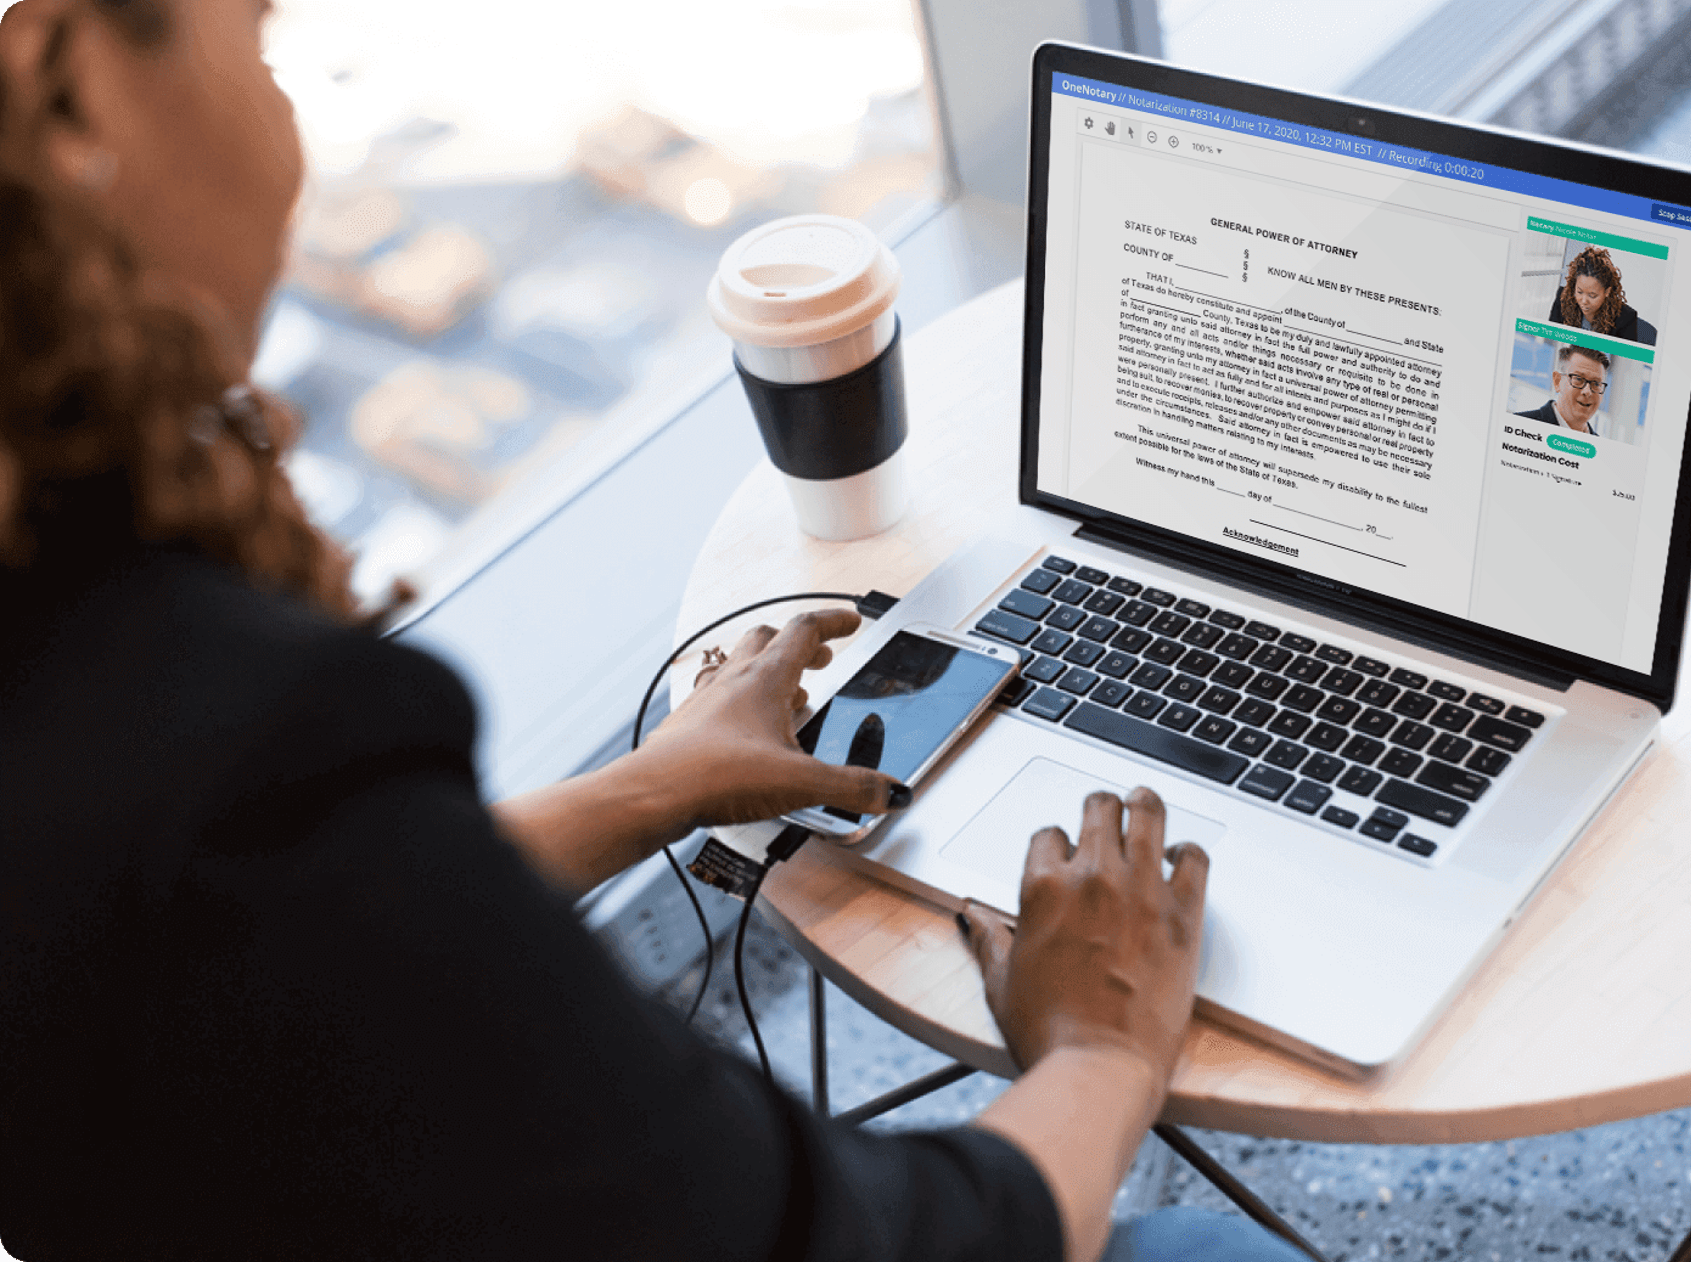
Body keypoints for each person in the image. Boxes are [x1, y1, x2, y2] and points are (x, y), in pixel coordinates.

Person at [0, 2, 1309, 1260]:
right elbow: (854, 1242)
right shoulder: (240, 738)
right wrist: (1102, 1047)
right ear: (68, 87)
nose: (282, 108)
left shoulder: (98, 696)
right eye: (261, 35)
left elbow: (259, 931)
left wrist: (646, 788)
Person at [1546, 245, 1652, 345]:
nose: (1583, 301)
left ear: (1607, 292)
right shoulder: (1563, 297)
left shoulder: (1626, 317)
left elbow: (1626, 358)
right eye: (1579, 292)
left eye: (1592, 295)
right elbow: (1550, 341)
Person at [1514, 343, 1611, 437]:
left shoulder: (1602, 449)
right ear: (1557, 381)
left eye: (1596, 384)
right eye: (1578, 379)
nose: (1587, 392)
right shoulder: (1518, 425)